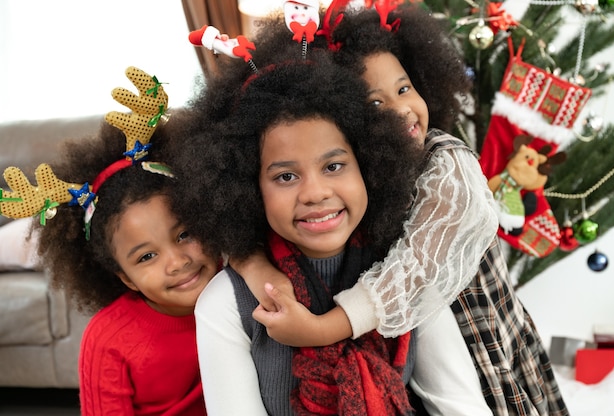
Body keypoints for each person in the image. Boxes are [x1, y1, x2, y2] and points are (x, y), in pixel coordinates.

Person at [242, 3, 569, 415]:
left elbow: (412, 270)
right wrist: (255, 265)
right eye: (376, 105)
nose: (401, 109)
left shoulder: (446, 164)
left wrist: (323, 328)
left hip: (478, 338)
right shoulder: (356, 178)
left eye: (404, 88)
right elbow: (244, 220)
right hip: (410, 345)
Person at [170, 49, 427, 414]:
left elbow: (457, 401)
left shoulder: (406, 266)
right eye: (286, 176)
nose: (315, 193)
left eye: (334, 166)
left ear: (369, 164)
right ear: (247, 188)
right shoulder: (225, 305)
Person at [8, 67, 220, 415]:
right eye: (146, 256)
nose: (177, 261)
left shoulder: (241, 280)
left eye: (185, 234)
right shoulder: (109, 342)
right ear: (124, 277)